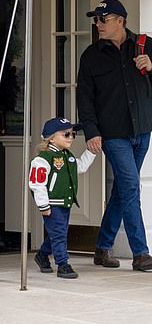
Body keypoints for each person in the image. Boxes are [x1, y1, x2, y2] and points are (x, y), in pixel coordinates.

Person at [77, 0, 152, 271]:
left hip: (143, 130)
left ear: (120, 21)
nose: (98, 25)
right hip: (113, 135)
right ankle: (140, 253)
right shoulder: (91, 55)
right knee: (130, 187)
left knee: (122, 190)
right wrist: (91, 132)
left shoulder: (147, 45)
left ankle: (103, 248)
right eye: (96, 20)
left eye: (103, 20)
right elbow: (85, 98)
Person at [29, 118, 96, 279]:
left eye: (73, 134)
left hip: (65, 203)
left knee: (58, 232)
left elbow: (80, 167)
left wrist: (91, 152)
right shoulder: (44, 158)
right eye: (66, 134)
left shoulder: (67, 156)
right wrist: (43, 205)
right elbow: (37, 183)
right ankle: (63, 264)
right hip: (52, 203)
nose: (71, 137)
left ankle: (42, 255)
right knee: (59, 234)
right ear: (51, 138)